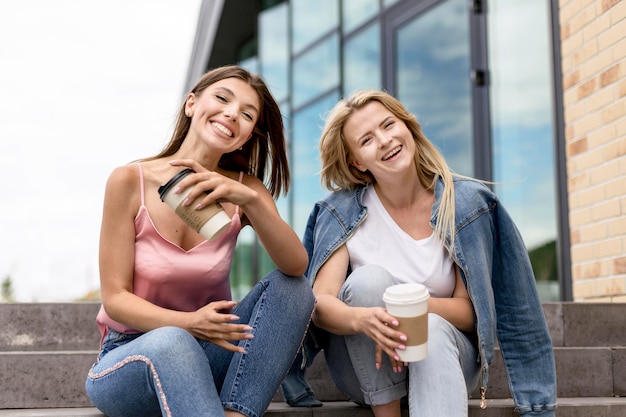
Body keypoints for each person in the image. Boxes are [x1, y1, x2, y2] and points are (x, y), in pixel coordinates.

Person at [282, 89, 557, 416]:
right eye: (367, 140)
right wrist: (365, 318)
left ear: (407, 127)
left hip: (446, 359)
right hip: (364, 369)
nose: (384, 140)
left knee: (434, 328)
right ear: (356, 161)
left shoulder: (464, 204)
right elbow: (320, 304)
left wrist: (408, 308)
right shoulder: (341, 213)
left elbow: (472, 314)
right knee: (369, 282)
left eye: (388, 125)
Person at [85, 65, 315, 417]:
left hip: (211, 352)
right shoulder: (130, 181)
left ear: (247, 135)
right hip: (131, 356)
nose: (231, 114)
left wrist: (250, 200)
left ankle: (237, 413)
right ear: (192, 104)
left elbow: (296, 265)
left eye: (246, 114)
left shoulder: (246, 190)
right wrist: (189, 324)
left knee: (294, 288)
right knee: (174, 340)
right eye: (222, 98)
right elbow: (115, 299)